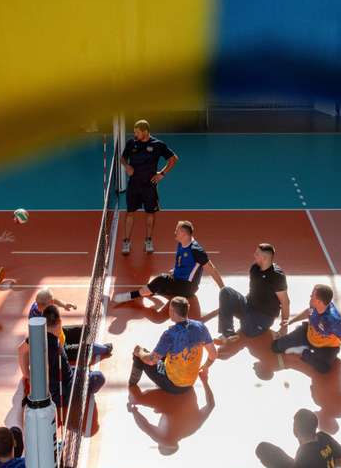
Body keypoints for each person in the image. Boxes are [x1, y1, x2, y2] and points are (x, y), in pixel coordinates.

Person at [113, 221, 223, 306]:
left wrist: (223, 290)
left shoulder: (196, 250)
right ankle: (151, 290)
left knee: (160, 280)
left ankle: (131, 295)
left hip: (187, 287)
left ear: (184, 234)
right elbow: (183, 263)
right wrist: (175, 270)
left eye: (177, 231)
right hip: (179, 281)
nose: (175, 232)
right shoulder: (182, 243)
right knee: (159, 287)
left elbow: (212, 269)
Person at [18, 305, 105, 408]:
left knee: (82, 371)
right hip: (62, 392)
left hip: (60, 380)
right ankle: (84, 391)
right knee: (98, 377)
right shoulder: (54, 347)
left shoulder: (35, 337)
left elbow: (21, 350)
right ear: (59, 322)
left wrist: (27, 374)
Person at [129, 296, 217, 394]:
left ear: (172, 311)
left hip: (174, 385)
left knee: (142, 355)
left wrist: (139, 351)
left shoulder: (170, 334)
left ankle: (131, 386)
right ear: (187, 308)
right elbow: (213, 354)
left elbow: (151, 361)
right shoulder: (201, 327)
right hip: (190, 382)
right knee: (165, 353)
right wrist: (205, 367)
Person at [270, 284, 341, 377]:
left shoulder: (334, 322)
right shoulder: (314, 306)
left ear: (319, 302)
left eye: (312, 295)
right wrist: (290, 322)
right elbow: (308, 312)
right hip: (308, 334)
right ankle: (305, 348)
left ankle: (304, 352)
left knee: (323, 368)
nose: (310, 297)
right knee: (275, 347)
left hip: (326, 346)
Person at [120, 119, 179, 255]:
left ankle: (148, 240)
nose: (135, 135)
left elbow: (174, 159)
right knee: (130, 213)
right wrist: (127, 166)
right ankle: (126, 241)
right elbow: (123, 158)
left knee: (150, 214)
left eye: (137, 132)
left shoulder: (158, 145)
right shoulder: (132, 143)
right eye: (134, 132)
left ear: (145, 131)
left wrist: (162, 174)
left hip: (149, 185)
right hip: (134, 184)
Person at [215, 243, 290, 344]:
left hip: (264, 315)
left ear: (264, 258)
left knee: (248, 331)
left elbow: (285, 302)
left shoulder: (277, 276)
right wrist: (235, 304)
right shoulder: (254, 268)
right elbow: (254, 291)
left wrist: (284, 327)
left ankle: (262, 328)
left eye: (257, 254)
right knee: (226, 291)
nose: (254, 255)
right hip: (249, 306)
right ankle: (228, 333)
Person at [29, 287, 112, 361]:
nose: (39, 307)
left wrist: (64, 305)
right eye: (39, 304)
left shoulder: (38, 304)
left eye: (42, 304)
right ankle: (103, 349)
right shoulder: (40, 320)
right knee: (83, 351)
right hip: (56, 348)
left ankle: (86, 343)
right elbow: (51, 339)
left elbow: (54, 300)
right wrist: (61, 349)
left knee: (86, 329)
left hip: (60, 334)